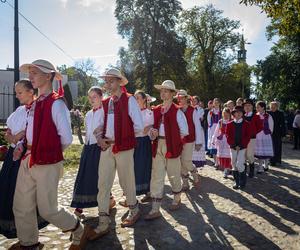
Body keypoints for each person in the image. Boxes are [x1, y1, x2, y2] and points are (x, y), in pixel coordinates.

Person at [12, 60, 87, 250]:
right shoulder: (35, 103)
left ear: (48, 76)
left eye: (34, 72)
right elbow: (32, 130)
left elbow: (66, 138)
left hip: (47, 161)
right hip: (27, 158)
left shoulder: (56, 104)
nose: (30, 76)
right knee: (21, 205)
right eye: (30, 73)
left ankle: (78, 229)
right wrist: (22, 143)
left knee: (48, 209)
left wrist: (49, 153)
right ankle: (29, 243)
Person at [87, 68, 143, 241]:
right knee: (103, 183)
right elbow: (99, 126)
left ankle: (134, 210)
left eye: (112, 80)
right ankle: (103, 222)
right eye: (107, 81)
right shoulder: (105, 102)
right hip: (107, 147)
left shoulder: (129, 100)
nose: (108, 84)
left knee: (127, 180)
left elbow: (139, 126)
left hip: (124, 147)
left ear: (120, 82)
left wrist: (124, 137)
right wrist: (99, 138)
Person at [0, 80, 48, 241]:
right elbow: (9, 132)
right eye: (16, 92)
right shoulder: (19, 110)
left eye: (20, 92)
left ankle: (29, 233)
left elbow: (32, 132)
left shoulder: (38, 109)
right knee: (8, 188)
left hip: (27, 155)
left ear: (30, 91)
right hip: (13, 155)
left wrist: (20, 135)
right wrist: (13, 136)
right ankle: (16, 230)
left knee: (25, 193)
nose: (16, 95)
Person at [144, 80, 188, 220]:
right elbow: (150, 129)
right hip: (158, 144)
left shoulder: (177, 111)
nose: (163, 93)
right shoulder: (156, 110)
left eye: (166, 91)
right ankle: (155, 208)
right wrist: (153, 132)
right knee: (156, 176)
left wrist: (174, 140)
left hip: (172, 145)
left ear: (172, 94)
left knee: (173, 174)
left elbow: (184, 131)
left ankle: (176, 198)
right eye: (161, 91)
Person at [71, 86, 116, 218]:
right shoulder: (89, 114)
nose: (91, 100)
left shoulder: (105, 112)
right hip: (88, 148)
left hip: (100, 149)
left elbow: (109, 130)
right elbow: (88, 133)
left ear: (101, 97)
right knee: (84, 176)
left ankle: (107, 200)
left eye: (94, 97)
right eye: (89, 97)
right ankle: (80, 206)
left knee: (99, 177)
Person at [119, 90, 154, 206]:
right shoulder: (132, 111)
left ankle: (147, 191)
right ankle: (130, 195)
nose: (136, 100)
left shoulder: (148, 113)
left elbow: (147, 128)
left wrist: (148, 127)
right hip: (133, 141)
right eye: (135, 98)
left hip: (143, 142)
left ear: (144, 99)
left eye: (138, 98)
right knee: (131, 169)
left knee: (143, 167)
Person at [176, 90, 202, 191]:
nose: (180, 100)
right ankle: (185, 183)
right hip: (178, 140)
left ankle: (194, 172)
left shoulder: (193, 110)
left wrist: (198, 142)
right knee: (180, 162)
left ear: (186, 98)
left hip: (189, 139)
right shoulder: (177, 109)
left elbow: (197, 126)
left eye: (182, 98)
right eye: (179, 98)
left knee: (186, 160)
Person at [225, 106, 251, 189]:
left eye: (240, 112)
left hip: (242, 147)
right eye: (236, 112)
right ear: (234, 114)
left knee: (240, 164)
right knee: (233, 164)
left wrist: (240, 146)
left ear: (242, 114)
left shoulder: (246, 124)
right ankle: (237, 182)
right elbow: (227, 135)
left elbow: (248, 136)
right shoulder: (229, 124)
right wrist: (234, 145)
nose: (239, 113)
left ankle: (242, 181)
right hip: (233, 147)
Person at [254, 101, 274, 173]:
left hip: (266, 135)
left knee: (265, 151)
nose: (257, 108)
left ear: (263, 107)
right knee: (260, 153)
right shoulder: (256, 115)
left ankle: (266, 164)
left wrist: (268, 132)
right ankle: (260, 167)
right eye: (256, 107)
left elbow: (271, 126)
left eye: (258, 107)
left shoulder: (268, 116)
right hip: (258, 136)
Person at [243, 98, 261, 178]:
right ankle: (244, 170)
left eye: (249, 105)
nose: (247, 107)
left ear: (252, 107)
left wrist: (253, 132)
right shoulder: (241, 115)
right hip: (242, 138)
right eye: (245, 106)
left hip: (251, 138)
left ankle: (251, 170)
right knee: (243, 155)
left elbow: (260, 127)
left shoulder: (256, 116)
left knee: (250, 155)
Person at [212, 108, 232, 178]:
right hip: (221, 140)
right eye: (224, 114)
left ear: (229, 114)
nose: (225, 116)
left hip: (228, 141)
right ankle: (226, 169)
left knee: (229, 155)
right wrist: (213, 139)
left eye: (227, 115)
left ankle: (228, 168)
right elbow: (216, 131)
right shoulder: (220, 121)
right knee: (222, 156)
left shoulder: (231, 121)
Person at [191, 96, 206, 168]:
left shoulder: (200, 109)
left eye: (195, 101)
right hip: (190, 129)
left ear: (197, 101)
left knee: (197, 146)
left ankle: (196, 165)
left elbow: (199, 118)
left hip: (198, 129)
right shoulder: (189, 108)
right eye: (192, 100)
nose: (193, 102)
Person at [207, 98, 222, 167]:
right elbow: (208, 120)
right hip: (213, 128)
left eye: (217, 102)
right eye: (214, 102)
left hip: (219, 128)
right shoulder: (211, 111)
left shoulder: (221, 112)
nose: (216, 104)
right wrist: (210, 126)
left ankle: (220, 161)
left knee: (219, 144)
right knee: (213, 144)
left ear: (219, 103)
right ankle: (215, 161)